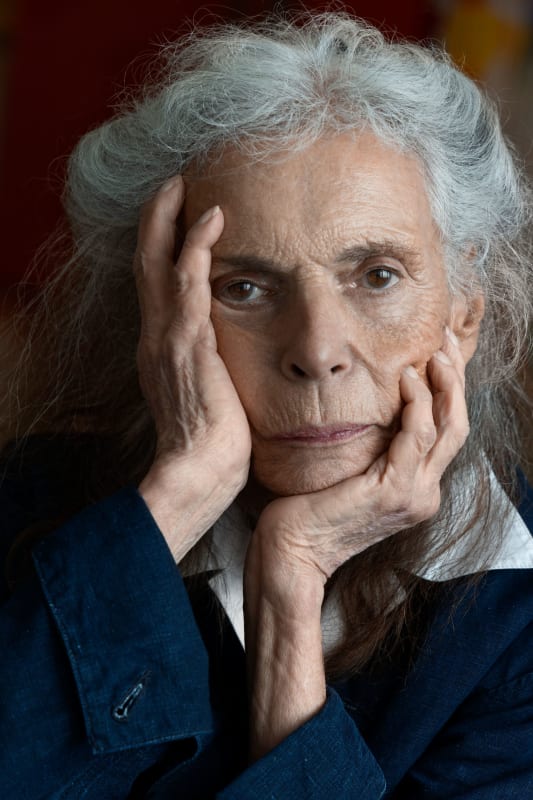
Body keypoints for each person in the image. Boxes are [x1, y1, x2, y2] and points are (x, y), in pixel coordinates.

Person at [1, 11, 532, 799]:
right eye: (243, 287)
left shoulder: (518, 613)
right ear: (161, 313)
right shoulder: (25, 505)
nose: (315, 349)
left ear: (463, 315)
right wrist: (182, 493)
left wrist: (292, 575)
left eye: (377, 275)